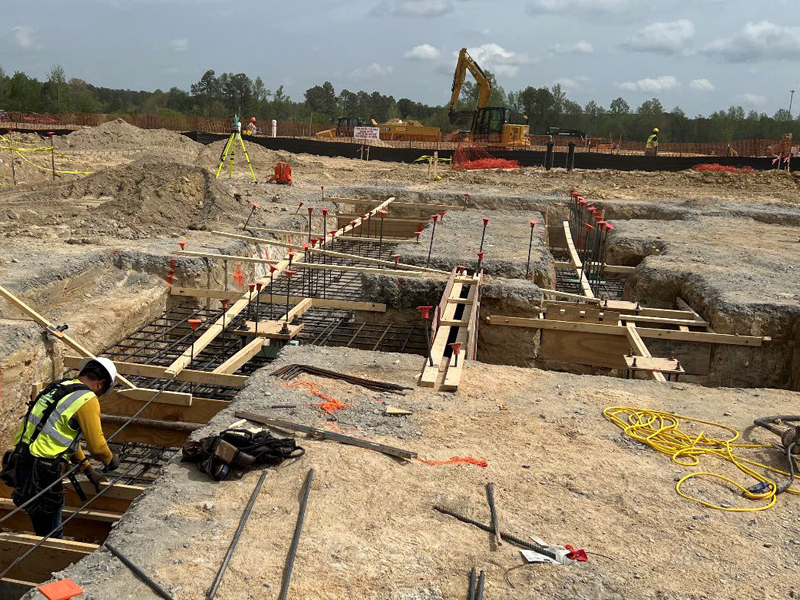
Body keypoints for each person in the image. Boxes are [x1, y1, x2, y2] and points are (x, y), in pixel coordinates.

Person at [1, 357, 120, 538]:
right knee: (50, 532)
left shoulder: (57, 388)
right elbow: (97, 447)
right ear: (101, 384)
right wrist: (110, 459)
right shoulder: (87, 398)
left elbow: (62, 438)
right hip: (43, 471)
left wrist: (88, 470)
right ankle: (51, 559)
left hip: (21, 460)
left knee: (38, 517)